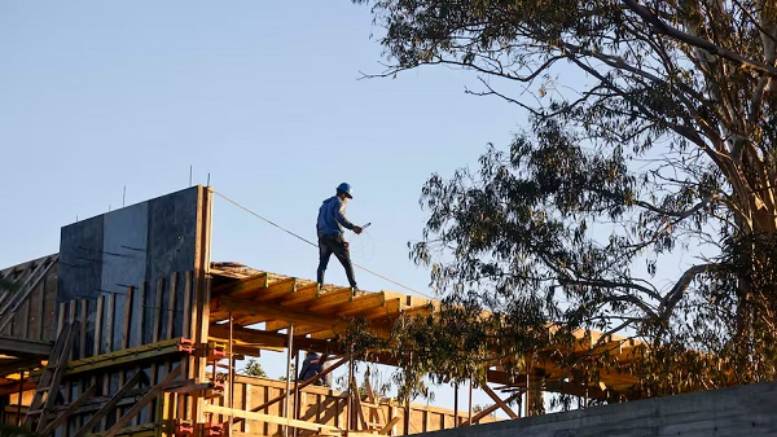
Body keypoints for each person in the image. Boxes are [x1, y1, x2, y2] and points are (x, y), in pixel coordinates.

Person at [316, 182, 363, 290]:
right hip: (334, 237)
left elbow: (317, 224)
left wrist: (320, 238)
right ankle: (354, 287)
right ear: (343, 195)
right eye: (347, 197)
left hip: (323, 237)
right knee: (347, 262)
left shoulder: (324, 205)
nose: (347, 200)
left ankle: (319, 286)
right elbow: (339, 217)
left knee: (322, 264)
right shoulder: (339, 202)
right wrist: (353, 227)